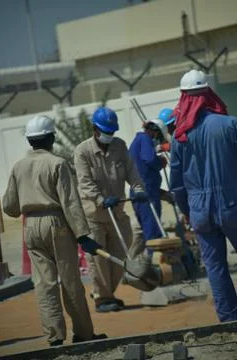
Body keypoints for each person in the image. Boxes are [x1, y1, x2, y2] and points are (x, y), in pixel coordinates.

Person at [3, 115, 105, 346]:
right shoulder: (57, 163)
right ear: (51, 138)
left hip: (30, 225)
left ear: (30, 140)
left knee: (43, 284)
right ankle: (83, 333)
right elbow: (70, 202)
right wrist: (82, 234)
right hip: (56, 224)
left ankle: (55, 336)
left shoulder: (18, 167)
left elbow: (9, 206)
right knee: (70, 281)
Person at [170, 69, 237, 322]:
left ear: (183, 98)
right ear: (209, 93)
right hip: (232, 203)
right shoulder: (230, 124)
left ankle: (230, 319)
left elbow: (177, 184)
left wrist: (188, 211)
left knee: (215, 267)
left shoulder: (179, 136)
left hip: (199, 210)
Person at [74, 107, 146, 313]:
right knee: (99, 260)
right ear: (95, 129)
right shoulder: (82, 151)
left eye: (112, 132)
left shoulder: (120, 146)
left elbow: (132, 171)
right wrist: (100, 199)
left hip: (117, 213)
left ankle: (106, 293)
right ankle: (102, 298)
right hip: (94, 216)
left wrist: (138, 188)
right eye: (106, 131)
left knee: (119, 257)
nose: (109, 136)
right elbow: (84, 182)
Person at [128, 119, 168, 257]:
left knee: (147, 231)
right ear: (155, 132)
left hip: (140, 192)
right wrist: (160, 162)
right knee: (152, 234)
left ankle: (140, 264)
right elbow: (149, 160)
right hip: (147, 194)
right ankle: (155, 268)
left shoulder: (137, 142)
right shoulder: (145, 139)